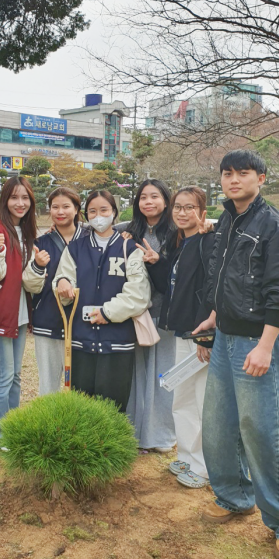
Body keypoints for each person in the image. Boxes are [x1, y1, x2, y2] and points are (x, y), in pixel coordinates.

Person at [193, 149, 279, 559]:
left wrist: (265, 344)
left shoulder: (278, 226)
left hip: (257, 340)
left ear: (261, 178)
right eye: (227, 173)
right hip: (225, 335)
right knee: (219, 425)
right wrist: (213, 316)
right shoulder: (228, 219)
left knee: (266, 431)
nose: (234, 179)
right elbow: (222, 276)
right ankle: (234, 496)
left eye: (243, 173)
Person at [53, 190, 151, 409]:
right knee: (81, 407)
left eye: (104, 210)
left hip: (117, 343)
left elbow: (139, 293)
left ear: (114, 212)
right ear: (86, 215)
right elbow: (63, 278)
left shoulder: (129, 247)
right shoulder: (76, 248)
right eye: (92, 211)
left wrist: (107, 313)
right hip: (81, 341)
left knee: (113, 408)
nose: (98, 216)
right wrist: (62, 283)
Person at [145, 186, 215, 489]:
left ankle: (205, 467)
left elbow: (213, 287)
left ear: (202, 211)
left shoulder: (208, 241)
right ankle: (187, 456)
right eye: (178, 207)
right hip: (181, 331)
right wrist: (157, 262)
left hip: (200, 333)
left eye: (190, 207)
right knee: (182, 398)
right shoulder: (179, 243)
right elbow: (173, 285)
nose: (182, 213)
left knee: (202, 401)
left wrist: (206, 335)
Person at [0, 176, 49, 449]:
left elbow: (28, 282)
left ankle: (11, 430)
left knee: (16, 376)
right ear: (4, 200)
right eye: (14, 197)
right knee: (4, 375)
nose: (20, 203)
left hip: (20, 313)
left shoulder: (28, 233)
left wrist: (39, 265)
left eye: (25, 198)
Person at [116, 179, 177, 452]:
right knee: (135, 374)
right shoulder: (127, 232)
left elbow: (180, 277)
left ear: (165, 200)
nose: (148, 202)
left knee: (162, 375)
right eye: (143, 197)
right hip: (134, 314)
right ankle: (134, 433)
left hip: (163, 315)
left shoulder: (175, 233)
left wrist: (158, 261)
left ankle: (160, 436)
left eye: (154, 196)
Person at [32, 187, 86, 394]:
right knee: (48, 386)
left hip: (83, 322)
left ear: (76, 209)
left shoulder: (91, 239)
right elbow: (30, 284)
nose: (60, 212)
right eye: (55, 207)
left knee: (80, 386)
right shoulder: (40, 243)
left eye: (66, 206)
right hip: (48, 319)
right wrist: (37, 265)